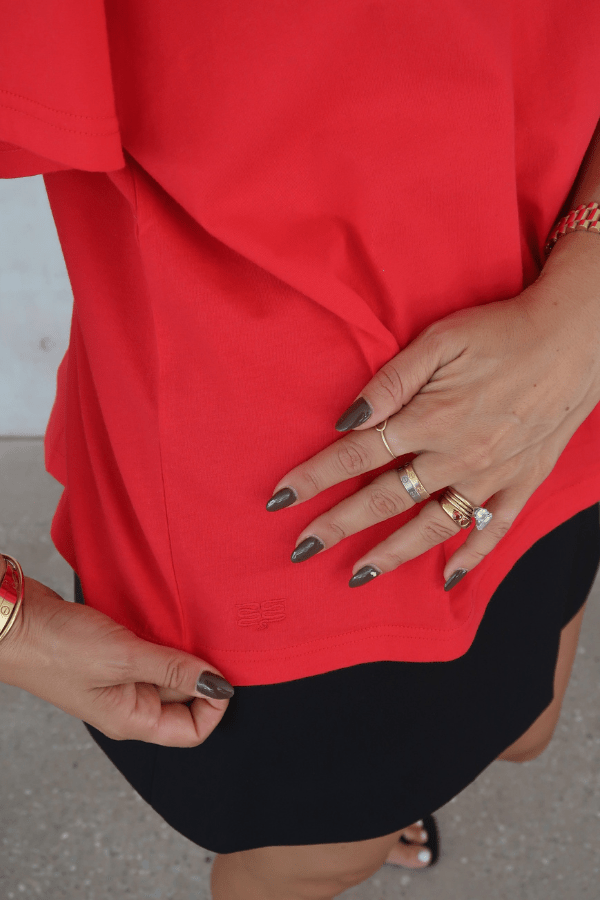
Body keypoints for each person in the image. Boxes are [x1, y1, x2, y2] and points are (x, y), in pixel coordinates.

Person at [1, 2, 600, 897]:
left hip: (555, 378)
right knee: (312, 858)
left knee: (525, 726)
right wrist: (11, 628)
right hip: (273, 533)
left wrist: (589, 296)